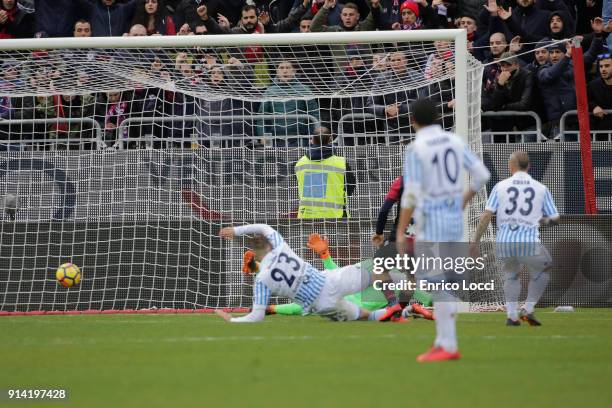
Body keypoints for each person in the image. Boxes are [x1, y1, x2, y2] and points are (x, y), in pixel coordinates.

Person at [395, 98, 490, 362]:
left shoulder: (416, 148)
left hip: (431, 222)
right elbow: (482, 175)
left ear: (412, 120)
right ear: (437, 117)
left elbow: (411, 193)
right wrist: (463, 199)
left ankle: (448, 345)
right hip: (453, 221)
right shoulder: (454, 141)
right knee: (441, 283)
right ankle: (442, 341)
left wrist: (401, 231)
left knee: (436, 284)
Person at [215, 224, 379, 323]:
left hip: (321, 302)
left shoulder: (264, 274)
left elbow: (256, 316)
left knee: (362, 312)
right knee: (373, 286)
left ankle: (260, 272)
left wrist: (233, 320)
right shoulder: (280, 246)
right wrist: (325, 255)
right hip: (329, 284)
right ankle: (398, 311)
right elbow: (263, 228)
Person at [470, 151, 559, 326]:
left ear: (510, 167)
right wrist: (539, 220)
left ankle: (511, 316)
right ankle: (528, 307)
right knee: (545, 267)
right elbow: (554, 218)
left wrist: (475, 241)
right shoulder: (540, 188)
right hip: (528, 240)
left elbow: (486, 216)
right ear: (529, 166)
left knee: (511, 275)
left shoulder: (500, 186)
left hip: (505, 241)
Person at [266, 233, 434, 317]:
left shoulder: (406, 279)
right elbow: (338, 276)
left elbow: (431, 299)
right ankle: (270, 305)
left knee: (315, 299)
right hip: (347, 300)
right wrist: (325, 255)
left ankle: (271, 307)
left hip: (357, 309)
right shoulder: (375, 266)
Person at [295, 126, 355, 218]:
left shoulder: (300, 163)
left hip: (306, 217)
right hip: (335, 217)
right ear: (330, 139)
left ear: (312, 140)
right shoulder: (341, 163)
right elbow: (350, 187)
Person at [256, 60, 319, 146]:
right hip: (276, 140)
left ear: (294, 71)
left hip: (300, 139)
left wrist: (315, 135)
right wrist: (262, 135)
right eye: (281, 68)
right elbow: (261, 117)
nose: (285, 71)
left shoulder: (305, 89)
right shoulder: (269, 91)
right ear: (277, 71)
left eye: (288, 68)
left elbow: (314, 113)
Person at [587, 54, 612, 132]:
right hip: (601, 132)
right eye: (601, 66)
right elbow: (586, 101)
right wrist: (594, 107)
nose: (603, 69)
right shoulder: (593, 85)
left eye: (607, 66)